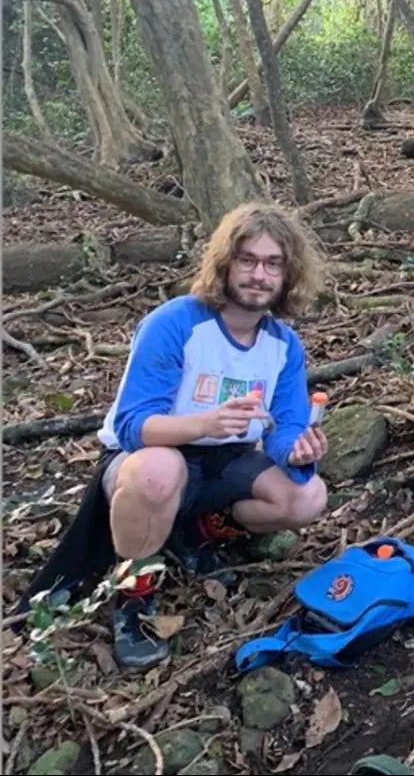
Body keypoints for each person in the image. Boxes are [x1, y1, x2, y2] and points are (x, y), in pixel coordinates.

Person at [19, 202, 330, 671]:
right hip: (148, 457)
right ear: (225, 264)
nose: (258, 275)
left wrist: (299, 447)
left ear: (288, 276)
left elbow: (286, 424)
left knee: (307, 496)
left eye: (273, 264)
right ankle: (133, 600)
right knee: (160, 471)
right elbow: (131, 424)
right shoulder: (175, 323)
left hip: (224, 460)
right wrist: (202, 424)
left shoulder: (283, 344)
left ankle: (191, 536)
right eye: (247, 260)